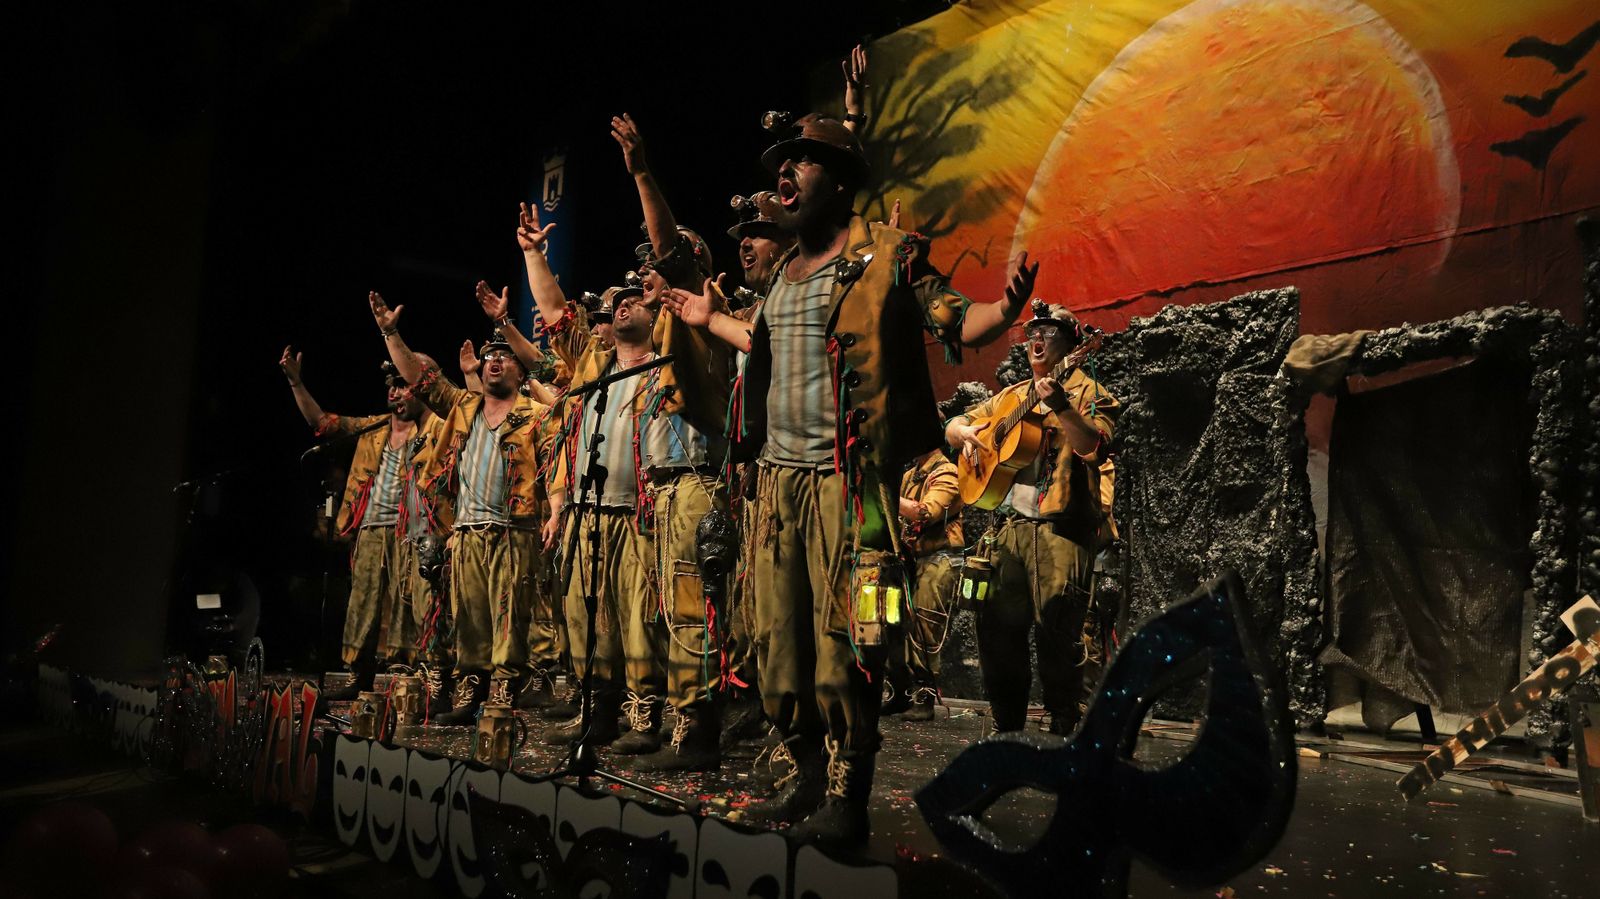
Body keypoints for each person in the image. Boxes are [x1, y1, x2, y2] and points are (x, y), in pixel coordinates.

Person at [663, 113, 1037, 847]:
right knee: (774, 645)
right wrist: (710, 321)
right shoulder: (781, 277)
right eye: (783, 164)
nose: (784, 175)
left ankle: (846, 795)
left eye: (801, 162)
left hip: (851, 487)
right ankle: (805, 776)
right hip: (778, 490)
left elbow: (955, 320)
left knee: (850, 644)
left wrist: (1006, 307)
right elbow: (765, 343)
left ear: (837, 180)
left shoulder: (885, 257)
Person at [515, 162, 731, 769]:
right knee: (594, 617)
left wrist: (638, 170)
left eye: (646, 285)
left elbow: (676, 268)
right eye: (626, 295)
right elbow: (559, 316)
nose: (632, 296)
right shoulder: (596, 367)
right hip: (597, 509)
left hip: (658, 502)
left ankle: (675, 723)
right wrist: (535, 258)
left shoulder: (684, 341)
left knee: (657, 618)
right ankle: (600, 709)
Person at [367, 291, 551, 726]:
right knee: (468, 618)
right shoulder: (463, 407)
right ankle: (469, 693)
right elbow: (421, 379)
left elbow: (553, 376)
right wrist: (391, 333)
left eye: (504, 357)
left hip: (513, 530)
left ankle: (503, 692)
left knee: (508, 619)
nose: (493, 362)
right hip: (467, 531)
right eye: (488, 357)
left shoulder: (537, 415)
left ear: (520, 370)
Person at [945, 302, 1119, 737]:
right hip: (1007, 529)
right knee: (998, 632)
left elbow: (1094, 446)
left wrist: (1061, 406)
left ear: (1071, 343)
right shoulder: (1012, 395)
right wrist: (963, 432)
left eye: (1048, 331)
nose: (1035, 339)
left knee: (1058, 631)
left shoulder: (1089, 391)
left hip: (1060, 528)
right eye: (1030, 332)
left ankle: (1063, 721)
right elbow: (955, 423)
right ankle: (1007, 725)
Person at [280, 346, 449, 700]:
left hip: (414, 531)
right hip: (372, 528)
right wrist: (296, 382)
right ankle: (361, 675)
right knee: (364, 602)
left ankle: (418, 677)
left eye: (402, 385)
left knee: (414, 604)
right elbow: (322, 423)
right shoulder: (373, 429)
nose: (394, 391)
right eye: (391, 385)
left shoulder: (436, 428)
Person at [883, 447, 963, 721]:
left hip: (938, 558)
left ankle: (923, 695)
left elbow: (924, 513)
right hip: (910, 559)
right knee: (894, 622)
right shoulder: (909, 475)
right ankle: (899, 691)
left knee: (924, 625)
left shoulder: (948, 473)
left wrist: (886, 494)